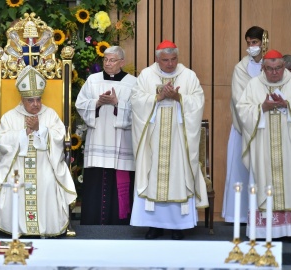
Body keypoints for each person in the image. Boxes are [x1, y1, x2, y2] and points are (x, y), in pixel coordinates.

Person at [130, 40, 208, 240]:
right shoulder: (147, 75)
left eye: (174, 59)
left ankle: (178, 226)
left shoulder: (188, 76)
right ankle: (153, 225)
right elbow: (136, 101)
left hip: (179, 138)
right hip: (153, 137)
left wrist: (178, 97)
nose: (170, 64)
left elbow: (198, 101)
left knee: (177, 176)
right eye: (165, 60)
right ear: (157, 59)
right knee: (152, 176)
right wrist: (157, 97)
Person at [0, 65, 77, 237]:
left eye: (38, 99)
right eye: (31, 100)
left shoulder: (50, 115)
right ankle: (18, 228)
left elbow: (59, 137)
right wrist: (24, 133)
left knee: (49, 182)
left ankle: (47, 227)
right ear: (22, 99)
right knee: (15, 185)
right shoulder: (9, 116)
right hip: (16, 164)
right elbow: (3, 140)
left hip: (46, 163)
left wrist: (40, 129)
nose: (36, 104)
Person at [75, 46, 137, 225]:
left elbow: (140, 111)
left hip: (121, 144)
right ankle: (92, 224)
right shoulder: (93, 80)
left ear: (122, 62)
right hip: (97, 142)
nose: (108, 64)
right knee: (95, 185)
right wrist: (97, 102)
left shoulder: (132, 83)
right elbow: (81, 104)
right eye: (105, 60)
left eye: (112, 60)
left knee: (119, 187)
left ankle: (120, 225)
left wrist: (118, 103)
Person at [237, 49, 291, 239]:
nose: (274, 73)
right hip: (262, 146)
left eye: (278, 68)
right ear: (263, 68)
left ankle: (289, 230)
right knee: (262, 180)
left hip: (288, 147)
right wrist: (262, 108)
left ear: (284, 67)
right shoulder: (254, 85)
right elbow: (242, 110)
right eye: (270, 69)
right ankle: (262, 231)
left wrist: (288, 105)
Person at [222, 26, 266, 224]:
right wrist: (254, 116)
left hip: (267, 127)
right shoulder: (241, 68)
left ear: (263, 43)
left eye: (255, 43)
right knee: (241, 170)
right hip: (244, 126)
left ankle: (265, 214)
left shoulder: (272, 65)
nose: (251, 47)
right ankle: (238, 215)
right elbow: (239, 99)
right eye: (248, 43)